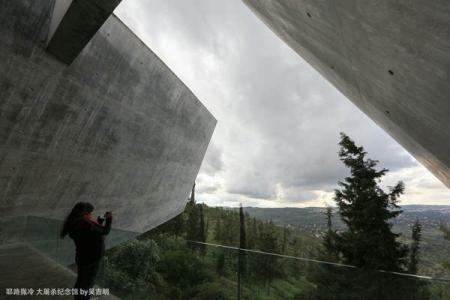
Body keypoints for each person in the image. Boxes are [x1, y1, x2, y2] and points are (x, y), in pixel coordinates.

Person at [60, 202, 112, 300]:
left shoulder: (74, 224)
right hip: (92, 259)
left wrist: (99, 222)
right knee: (88, 283)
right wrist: (109, 219)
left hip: (82, 257)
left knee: (81, 281)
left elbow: (93, 234)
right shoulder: (87, 226)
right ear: (83, 214)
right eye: (89, 213)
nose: (90, 215)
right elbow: (105, 231)